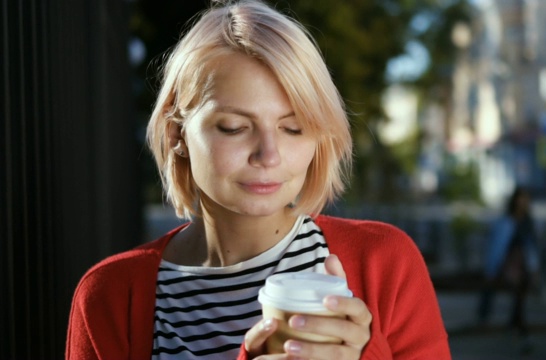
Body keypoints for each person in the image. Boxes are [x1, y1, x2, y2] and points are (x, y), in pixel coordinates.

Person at [66, 1, 450, 359]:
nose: (269, 155)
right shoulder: (109, 296)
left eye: (294, 128)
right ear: (176, 134)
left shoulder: (384, 264)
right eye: (234, 127)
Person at [477, 186, 540, 353]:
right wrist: (491, 269)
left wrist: (534, 268)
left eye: (526, 199)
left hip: (522, 265)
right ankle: (521, 329)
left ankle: (517, 325)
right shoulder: (506, 222)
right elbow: (496, 248)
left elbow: (531, 247)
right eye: (521, 198)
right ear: (515, 201)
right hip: (506, 265)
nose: (524, 202)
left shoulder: (527, 222)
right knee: (518, 289)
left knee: (521, 290)